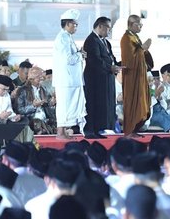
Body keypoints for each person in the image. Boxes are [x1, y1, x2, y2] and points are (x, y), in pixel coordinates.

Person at [83, 16, 120, 139]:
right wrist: (110, 68)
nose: (109, 31)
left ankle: (102, 127)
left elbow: (111, 57)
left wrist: (116, 65)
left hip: (106, 78)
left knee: (105, 103)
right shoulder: (91, 40)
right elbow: (95, 60)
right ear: (100, 26)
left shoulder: (105, 41)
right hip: (95, 79)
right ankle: (91, 130)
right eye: (107, 28)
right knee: (95, 103)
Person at [52, 9, 87, 140]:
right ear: (67, 24)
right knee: (64, 106)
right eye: (74, 24)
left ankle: (64, 131)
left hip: (71, 79)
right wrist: (80, 54)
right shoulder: (62, 38)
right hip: (65, 80)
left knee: (69, 106)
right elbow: (68, 59)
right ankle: (60, 133)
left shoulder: (67, 37)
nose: (76, 27)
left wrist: (79, 53)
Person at [120, 15, 152, 137]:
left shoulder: (135, 37)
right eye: (138, 25)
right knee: (133, 102)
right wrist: (142, 49)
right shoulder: (126, 39)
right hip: (132, 78)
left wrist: (144, 50)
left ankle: (135, 129)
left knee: (142, 103)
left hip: (139, 77)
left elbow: (140, 54)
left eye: (141, 25)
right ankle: (129, 131)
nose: (140, 27)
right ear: (131, 24)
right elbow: (129, 60)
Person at [15, 66, 57, 135]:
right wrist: (33, 106)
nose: (42, 81)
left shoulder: (44, 89)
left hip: (45, 118)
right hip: (31, 119)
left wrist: (52, 103)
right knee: (38, 124)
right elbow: (20, 110)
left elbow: (48, 106)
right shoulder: (22, 90)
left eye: (42, 79)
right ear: (31, 79)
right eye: (39, 78)